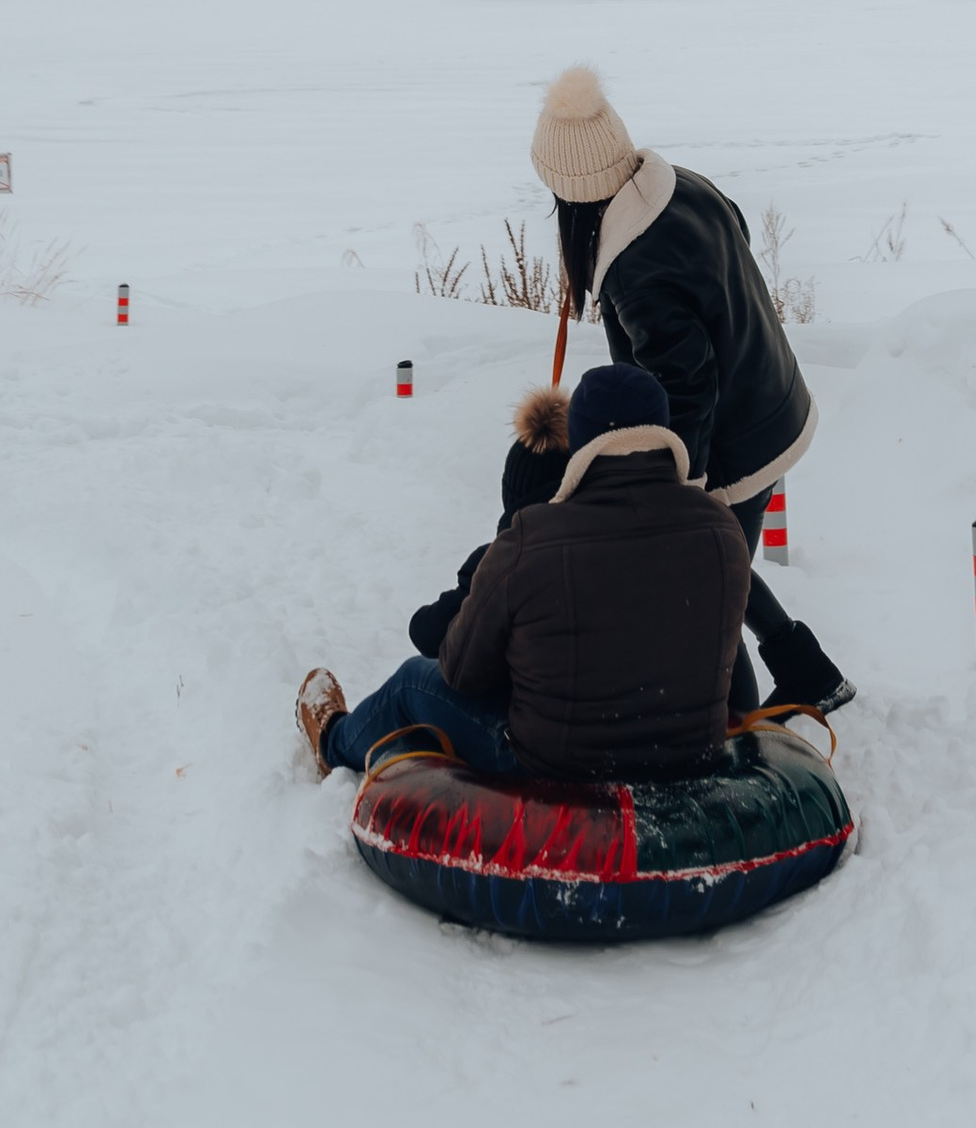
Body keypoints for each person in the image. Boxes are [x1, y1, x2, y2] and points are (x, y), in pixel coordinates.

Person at [529, 65, 855, 718]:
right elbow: (731, 246)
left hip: (736, 436)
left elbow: (687, 382)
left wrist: (684, 484)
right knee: (724, 564)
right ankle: (808, 673)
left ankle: (734, 734)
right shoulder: (681, 187)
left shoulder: (635, 268)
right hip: (770, 395)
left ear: (571, 191)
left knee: (706, 589)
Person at [298, 361, 751, 781]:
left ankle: (334, 742)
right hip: (692, 756)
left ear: (582, 440)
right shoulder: (722, 528)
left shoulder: (532, 537)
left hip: (556, 765)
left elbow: (460, 670)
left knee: (412, 681)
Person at [403, 383, 571, 658]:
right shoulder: (602, 539)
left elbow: (426, 632)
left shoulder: (505, 559)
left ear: (513, 493)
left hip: (527, 697)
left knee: (409, 679)